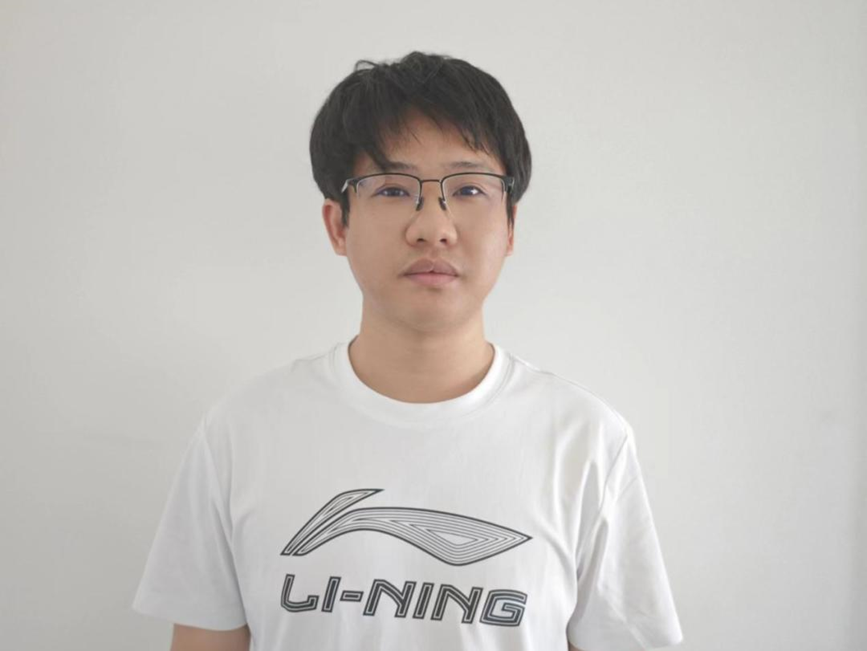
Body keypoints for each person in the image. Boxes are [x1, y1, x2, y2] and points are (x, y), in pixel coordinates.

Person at [131, 51, 684, 651]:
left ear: (510, 225)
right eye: (394, 189)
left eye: (468, 189)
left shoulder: (585, 441)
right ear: (338, 225)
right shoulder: (241, 433)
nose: (433, 227)